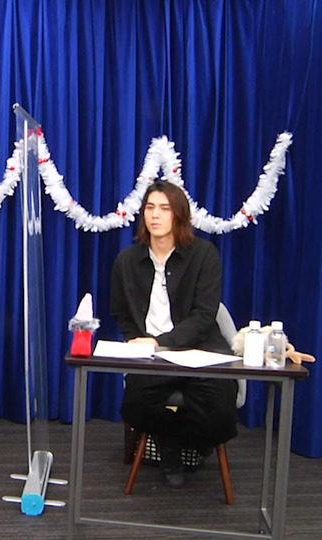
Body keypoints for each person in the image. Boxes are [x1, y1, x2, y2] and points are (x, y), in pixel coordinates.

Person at [110, 181, 237, 488]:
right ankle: (169, 445)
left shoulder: (204, 255)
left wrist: (161, 342)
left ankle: (185, 442)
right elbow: (120, 311)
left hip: (201, 350)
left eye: (165, 209)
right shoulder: (127, 260)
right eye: (150, 208)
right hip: (152, 357)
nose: (155, 215)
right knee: (135, 407)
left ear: (179, 215)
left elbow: (204, 316)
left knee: (220, 411)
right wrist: (137, 342)